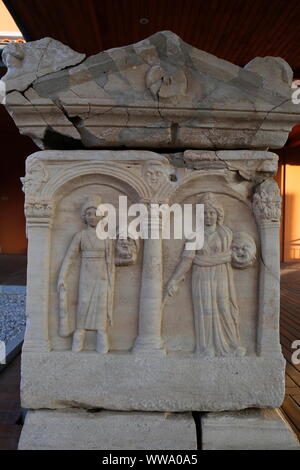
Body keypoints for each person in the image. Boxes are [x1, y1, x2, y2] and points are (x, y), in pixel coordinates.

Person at [166, 192, 247, 357]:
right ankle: (206, 347)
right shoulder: (195, 235)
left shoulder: (226, 233)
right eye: (204, 213)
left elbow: (240, 250)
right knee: (205, 309)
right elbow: (186, 260)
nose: (208, 216)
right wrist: (174, 279)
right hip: (201, 274)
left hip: (221, 273)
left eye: (211, 213)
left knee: (224, 307)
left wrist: (244, 254)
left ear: (218, 214)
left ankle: (232, 344)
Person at [57, 196, 115, 353]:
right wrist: (62, 276)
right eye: (88, 213)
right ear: (84, 217)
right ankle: (78, 340)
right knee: (83, 305)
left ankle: (102, 341)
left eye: (95, 213)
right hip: (86, 277)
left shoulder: (107, 238)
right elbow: (69, 257)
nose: (92, 216)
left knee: (101, 309)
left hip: (102, 277)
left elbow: (112, 260)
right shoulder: (80, 236)